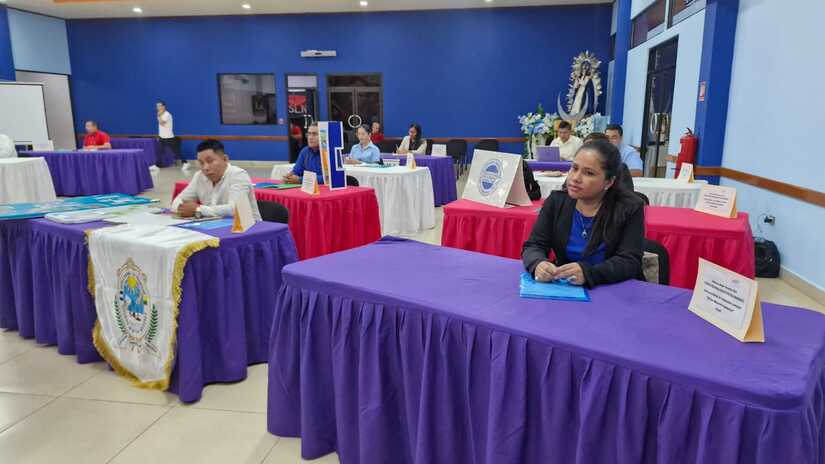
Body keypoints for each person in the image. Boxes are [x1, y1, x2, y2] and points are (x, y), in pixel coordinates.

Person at [522, 139, 644, 288]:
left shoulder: (629, 208)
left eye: (589, 173)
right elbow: (533, 246)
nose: (575, 178)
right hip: (568, 288)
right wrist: (538, 263)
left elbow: (630, 262)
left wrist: (589, 273)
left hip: (614, 289)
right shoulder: (556, 201)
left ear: (609, 182)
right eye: (574, 168)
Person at [171, 139, 262, 220]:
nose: (205, 167)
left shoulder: (238, 175)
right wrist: (181, 208)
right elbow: (177, 201)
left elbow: (235, 209)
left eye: (210, 161)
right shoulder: (199, 176)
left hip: (249, 229)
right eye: (201, 163)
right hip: (214, 226)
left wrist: (199, 210)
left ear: (225, 159)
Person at [157, 101, 184, 167]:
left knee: (176, 151)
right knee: (160, 151)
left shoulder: (167, 114)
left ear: (164, 106)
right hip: (162, 136)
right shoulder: (160, 114)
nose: (158, 107)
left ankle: (185, 162)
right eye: (157, 106)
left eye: (159, 106)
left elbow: (162, 123)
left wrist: (159, 116)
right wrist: (159, 115)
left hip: (168, 136)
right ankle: (158, 164)